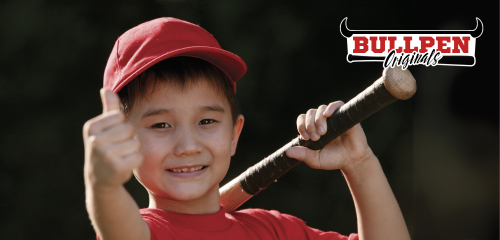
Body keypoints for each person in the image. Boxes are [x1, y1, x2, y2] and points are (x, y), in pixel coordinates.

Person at [83, 17, 411, 240]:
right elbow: (119, 228)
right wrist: (104, 185)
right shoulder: (146, 230)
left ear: (234, 134)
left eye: (206, 121)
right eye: (161, 124)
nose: (187, 144)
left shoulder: (272, 230)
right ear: (125, 138)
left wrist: (360, 163)